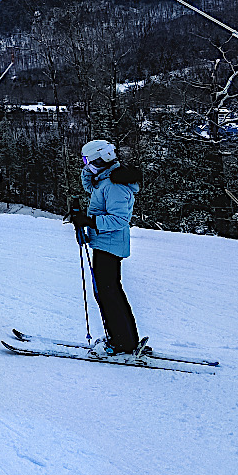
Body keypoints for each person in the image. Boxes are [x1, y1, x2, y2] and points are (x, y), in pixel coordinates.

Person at [80, 139, 145, 358]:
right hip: (105, 243)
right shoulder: (106, 179)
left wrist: (90, 222)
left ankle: (122, 342)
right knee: (109, 293)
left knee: (109, 294)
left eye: (89, 161)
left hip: (110, 245)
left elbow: (119, 220)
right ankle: (125, 338)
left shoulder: (115, 185)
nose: (87, 165)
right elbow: (92, 186)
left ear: (102, 159)